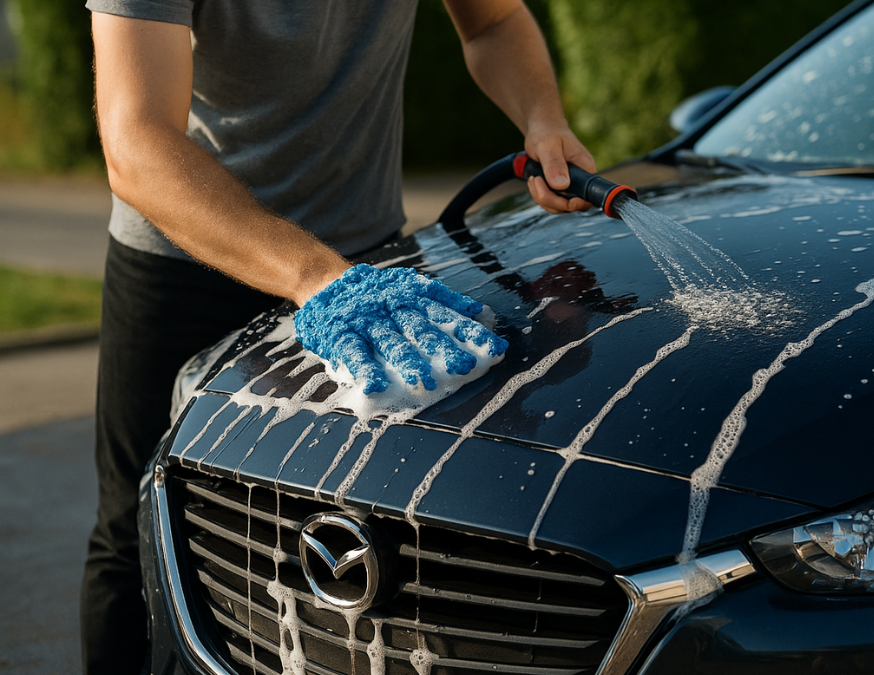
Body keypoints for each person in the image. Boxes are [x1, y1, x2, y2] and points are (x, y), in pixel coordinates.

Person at [83, 1, 595, 672]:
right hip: (190, 259)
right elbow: (136, 140)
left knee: (373, 530)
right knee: (143, 529)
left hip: (367, 264)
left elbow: (494, 20)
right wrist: (314, 276)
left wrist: (543, 119)